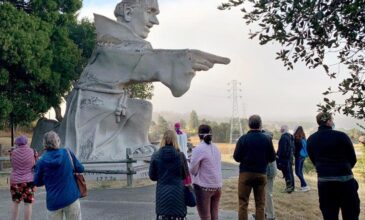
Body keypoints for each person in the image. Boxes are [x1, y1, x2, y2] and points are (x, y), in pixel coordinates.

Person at [45, 0, 230, 161]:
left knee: (143, 108)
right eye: (150, 12)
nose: (155, 21)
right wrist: (186, 57)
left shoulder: (126, 44)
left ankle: (136, 147)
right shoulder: (111, 44)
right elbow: (147, 63)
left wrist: (184, 58)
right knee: (142, 108)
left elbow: (148, 59)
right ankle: (123, 152)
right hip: (89, 111)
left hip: (110, 104)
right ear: (128, 12)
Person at [307, 112, 360, 220]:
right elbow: (353, 159)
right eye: (332, 119)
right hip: (346, 181)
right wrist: (344, 169)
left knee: (329, 215)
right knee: (351, 215)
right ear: (329, 121)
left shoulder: (311, 139)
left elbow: (314, 160)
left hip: (325, 183)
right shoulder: (342, 136)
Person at [34, 131, 84, 220]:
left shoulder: (41, 161)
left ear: (44, 144)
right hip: (71, 197)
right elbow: (80, 169)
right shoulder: (67, 153)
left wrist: (47, 179)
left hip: (53, 201)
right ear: (58, 141)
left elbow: (37, 182)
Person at [233, 115, 276, 220]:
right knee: (260, 204)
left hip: (245, 174)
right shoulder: (267, 139)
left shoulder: (243, 139)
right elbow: (272, 158)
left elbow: (236, 158)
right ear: (260, 124)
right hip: (261, 174)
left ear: (249, 124)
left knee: (243, 203)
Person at [149, 130, 187, 220]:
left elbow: (152, 177)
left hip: (162, 195)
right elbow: (185, 175)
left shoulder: (155, 156)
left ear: (163, 140)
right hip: (178, 194)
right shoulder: (180, 156)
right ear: (175, 140)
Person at [189, 124, 222, 220]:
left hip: (204, 187)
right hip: (217, 186)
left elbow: (193, 170)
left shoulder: (198, 149)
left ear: (199, 135)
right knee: (214, 215)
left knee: (205, 216)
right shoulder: (216, 148)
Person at [9, 135, 38, 220]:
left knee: (15, 202)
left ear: (17, 143)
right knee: (28, 204)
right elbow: (36, 165)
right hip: (29, 181)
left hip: (15, 181)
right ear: (26, 142)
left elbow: (12, 163)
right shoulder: (33, 151)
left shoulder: (12, 152)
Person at [262, 130, 277, 220]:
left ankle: (270, 215)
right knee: (265, 194)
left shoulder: (267, 146)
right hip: (268, 173)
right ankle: (264, 213)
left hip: (269, 173)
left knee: (268, 194)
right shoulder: (269, 145)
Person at [276, 125, 295, 193]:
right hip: (289, 157)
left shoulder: (284, 137)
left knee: (287, 173)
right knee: (290, 173)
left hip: (285, 158)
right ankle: (292, 187)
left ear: (283, 129)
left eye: (281, 129)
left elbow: (282, 149)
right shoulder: (290, 136)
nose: (280, 130)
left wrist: (278, 156)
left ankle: (289, 188)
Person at [293, 126, 310, 192]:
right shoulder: (303, 137)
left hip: (298, 156)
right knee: (300, 172)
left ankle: (305, 185)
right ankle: (303, 186)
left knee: (297, 172)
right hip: (303, 156)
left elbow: (295, 148)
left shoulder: (296, 139)